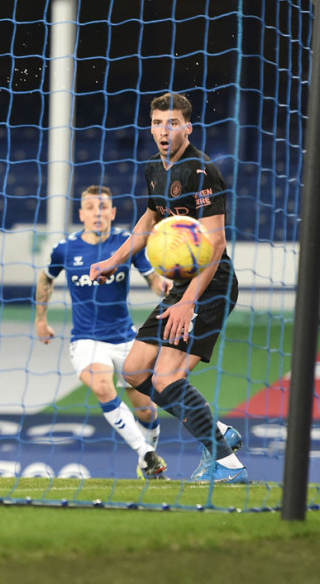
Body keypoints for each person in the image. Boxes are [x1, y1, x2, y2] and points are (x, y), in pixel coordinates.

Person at [90, 92, 246, 483]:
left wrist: (187, 303)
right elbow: (149, 216)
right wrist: (114, 259)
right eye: (159, 122)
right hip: (182, 288)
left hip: (210, 285)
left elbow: (217, 243)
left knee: (167, 378)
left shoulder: (202, 170)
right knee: (135, 370)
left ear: (188, 127)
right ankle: (219, 432)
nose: (164, 130)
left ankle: (227, 464)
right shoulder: (153, 168)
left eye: (173, 123)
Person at [36, 185, 171, 478]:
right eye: (91, 208)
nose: (97, 213)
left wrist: (163, 286)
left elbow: (152, 278)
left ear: (113, 212)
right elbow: (46, 279)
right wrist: (40, 319)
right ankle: (146, 453)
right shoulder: (66, 248)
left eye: (103, 207)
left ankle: (147, 460)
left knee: (147, 410)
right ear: (82, 214)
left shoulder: (127, 243)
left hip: (125, 339)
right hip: (86, 340)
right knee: (102, 386)